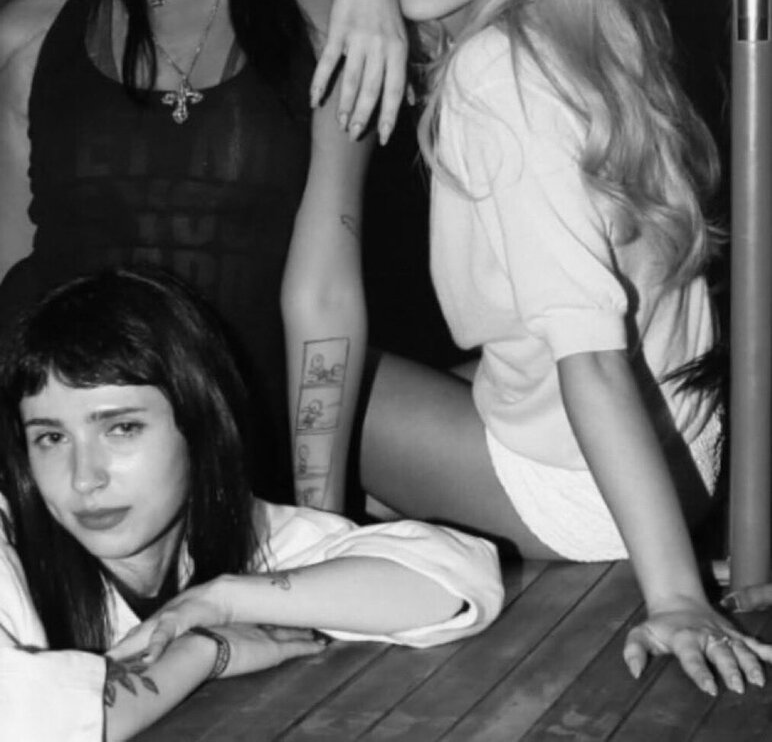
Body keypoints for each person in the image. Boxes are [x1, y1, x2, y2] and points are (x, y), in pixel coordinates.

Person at [338, 0, 772, 694]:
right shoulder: (596, 31)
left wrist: (676, 596)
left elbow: (591, 358)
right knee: (406, 383)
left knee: (301, 379)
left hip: (589, 493)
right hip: (682, 463)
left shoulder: (495, 75)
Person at [0, 0, 408, 506]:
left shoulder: (331, 25)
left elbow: (324, 293)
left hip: (236, 471)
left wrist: (317, 516)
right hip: (60, 473)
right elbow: (11, 270)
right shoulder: (27, 38)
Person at [0, 267, 502, 742]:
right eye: (50, 438)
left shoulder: (244, 531)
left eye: (122, 428)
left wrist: (222, 601)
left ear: (199, 425)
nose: (84, 477)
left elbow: (452, 580)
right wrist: (204, 652)